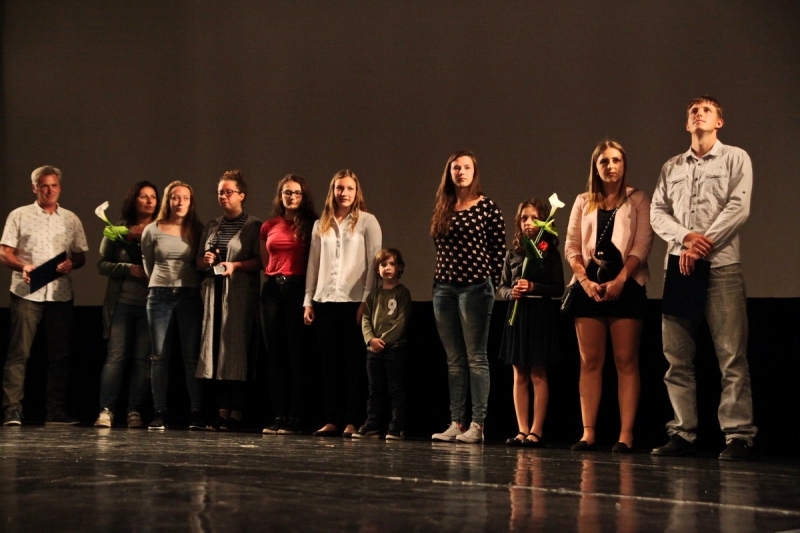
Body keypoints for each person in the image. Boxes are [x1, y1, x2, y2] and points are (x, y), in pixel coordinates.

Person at [650, 96, 756, 461]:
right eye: (693, 111)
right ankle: (683, 432)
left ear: (719, 122)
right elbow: (657, 212)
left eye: (706, 110)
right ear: (687, 124)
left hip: (721, 267)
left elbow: (738, 207)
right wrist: (685, 239)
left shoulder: (735, 158)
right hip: (679, 268)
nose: (699, 114)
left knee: (731, 356)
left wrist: (701, 245)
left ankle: (738, 435)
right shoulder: (672, 166)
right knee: (676, 357)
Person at [564, 140, 653, 453]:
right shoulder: (583, 201)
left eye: (616, 160)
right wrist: (584, 281)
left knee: (626, 361)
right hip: (589, 288)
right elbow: (572, 247)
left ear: (624, 165)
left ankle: (625, 435)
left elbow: (642, 245)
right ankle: (588, 433)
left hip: (627, 286)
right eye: (604, 161)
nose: (611, 166)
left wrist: (620, 279)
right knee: (590, 361)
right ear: (596, 167)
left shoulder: (638, 198)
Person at [1, 165, 89, 426]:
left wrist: (72, 263)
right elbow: (4, 252)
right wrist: (23, 266)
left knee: (60, 355)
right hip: (26, 293)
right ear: (35, 188)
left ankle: (56, 410)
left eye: (53, 185)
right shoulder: (20, 215)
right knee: (19, 352)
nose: (49, 190)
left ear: (59, 188)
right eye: (44, 186)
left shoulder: (70, 218)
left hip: (59, 295)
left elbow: (80, 255)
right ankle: (12, 409)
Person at [430, 150, 506, 444]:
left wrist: (489, 284)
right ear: (449, 173)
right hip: (444, 288)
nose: (461, 172)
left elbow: (497, 251)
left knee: (476, 357)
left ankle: (478, 424)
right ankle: (457, 422)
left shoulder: (487, 207)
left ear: (475, 172)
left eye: (466, 167)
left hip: (475, 288)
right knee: (454, 360)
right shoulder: (443, 206)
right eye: (456, 168)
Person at [304, 169, 382, 438]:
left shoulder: (367, 221)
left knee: (353, 363)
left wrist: (366, 300)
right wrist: (308, 300)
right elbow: (313, 264)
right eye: (340, 188)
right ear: (333, 191)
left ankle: (352, 420)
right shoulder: (320, 224)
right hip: (325, 300)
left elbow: (374, 263)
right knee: (329, 364)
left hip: (354, 301)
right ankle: (332, 419)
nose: (344, 193)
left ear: (356, 191)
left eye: (349, 188)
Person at [196, 171, 261, 431]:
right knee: (216, 353)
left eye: (228, 192)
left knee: (236, 352)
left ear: (241, 195)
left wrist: (235, 265)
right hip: (214, 295)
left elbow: (261, 262)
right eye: (220, 192)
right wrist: (206, 261)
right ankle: (221, 414)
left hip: (239, 296)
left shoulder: (253, 226)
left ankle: (237, 414)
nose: (223, 196)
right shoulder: (212, 226)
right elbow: (199, 263)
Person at [497, 198, 564, 447]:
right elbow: (501, 286)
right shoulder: (513, 253)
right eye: (524, 218)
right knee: (519, 373)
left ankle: (536, 430)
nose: (528, 222)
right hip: (517, 315)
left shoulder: (548, 251)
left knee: (537, 372)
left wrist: (534, 286)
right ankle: (522, 429)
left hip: (539, 315)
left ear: (544, 221)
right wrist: (510, 293)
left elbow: (558, 288)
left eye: (534, 218)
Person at [94, 181, 159, 429]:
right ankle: (106, 411)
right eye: (144, 196)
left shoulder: (161, 229)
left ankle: (135, 411)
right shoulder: (117, 230)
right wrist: (127, 268)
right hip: (121, 304)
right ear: (134, 200)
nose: (149, 201)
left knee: (142, 360)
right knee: (116, 357)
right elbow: (102, 265)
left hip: (150, 306)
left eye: (153, 197)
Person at [141, 180, 204, 431]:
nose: (180, 202)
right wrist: (162, 282)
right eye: (176, 197)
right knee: (158, 356)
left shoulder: (197, 229)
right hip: (159, 295)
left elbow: (200, 263)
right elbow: (148, 264)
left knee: (191, 357)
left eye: (185, 198)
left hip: (189, 294)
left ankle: (196, 412)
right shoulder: (152, 229)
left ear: (191, 202)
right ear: (168, 200)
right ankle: (160, 412)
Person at [260, 175, 318, 435]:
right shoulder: (269, 225)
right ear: (280, 195)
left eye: (296, 193)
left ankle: (295, 416)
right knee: (275, 355)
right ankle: (278, 415)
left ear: (303, 197)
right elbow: (266, 260)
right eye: (287, 192)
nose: (291, 197)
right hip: (272, 289)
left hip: (298, 289)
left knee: (296, 355)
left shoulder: (312, 225)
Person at [353, 248, 412, 440]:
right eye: (383, 264)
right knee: (374, 389)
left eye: (392, 264)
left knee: (395, 388)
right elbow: (366, 318)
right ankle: (372, 424)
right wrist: (370, 339)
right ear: (377, 269)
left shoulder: (402, 293)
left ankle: (396, 426)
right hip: (373, 349)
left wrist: (383, 341)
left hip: (394, 349)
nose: (387, 268)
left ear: (400, 267)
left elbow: (401, 321)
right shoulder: (373, 295)